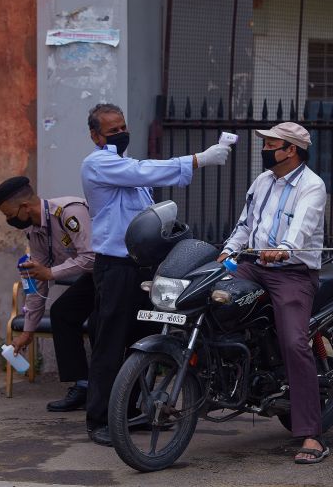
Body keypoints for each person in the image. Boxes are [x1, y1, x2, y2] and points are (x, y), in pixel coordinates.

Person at [80, 103, 230, 446]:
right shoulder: (99, 163)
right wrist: (197, 160)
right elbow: (143, 171)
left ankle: (130, 413)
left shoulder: (128, 169)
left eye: (122, 127)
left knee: (144, 339)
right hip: (115, 267)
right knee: (110, 343)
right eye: (111, 131)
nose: (120, 134)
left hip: (144, 269)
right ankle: (100, 419)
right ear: (94, 136)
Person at [216, 121, 329, 465]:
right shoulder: (262, 181)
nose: (265, 149)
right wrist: (227, 250)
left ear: (291, 150)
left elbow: (302, 227)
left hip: (292, 272)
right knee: (210, 299)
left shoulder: (312, 186)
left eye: (270, 144)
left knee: (295, 342)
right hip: (253, 265)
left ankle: (311, 434)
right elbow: (245, 225)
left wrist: (284, 248)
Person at [0, 176, 96, 412]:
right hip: (92, 278)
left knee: (100, 323)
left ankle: (107, 388)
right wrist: (28, 332)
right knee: (62, 313)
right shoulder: (34, 231)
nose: (9, 221)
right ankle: (83, 385)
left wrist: (50, 272)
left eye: (10, 215)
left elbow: (91, 257)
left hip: (111, 272)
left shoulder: (70, 213)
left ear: (26, 207)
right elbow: (37, 284)